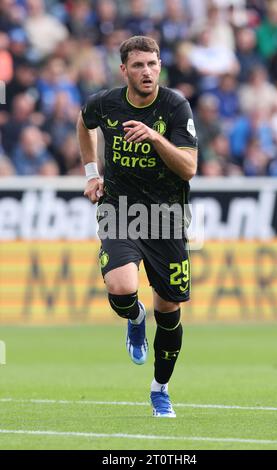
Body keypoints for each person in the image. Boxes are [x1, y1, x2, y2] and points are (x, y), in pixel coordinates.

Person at [77, 35, 198, 418]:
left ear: (160, 65)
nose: (147, 71)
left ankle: (160, 389)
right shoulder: (106, 103)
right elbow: (84, 123)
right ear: (124, 70)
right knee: (123, 286)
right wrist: (91, 173)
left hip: (166, 218)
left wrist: (155, 137)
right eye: (139, 65)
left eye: (153, 63)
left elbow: (189, 168)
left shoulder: (175, 106)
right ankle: (134, 317)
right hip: (120, 208)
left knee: (170, 309)